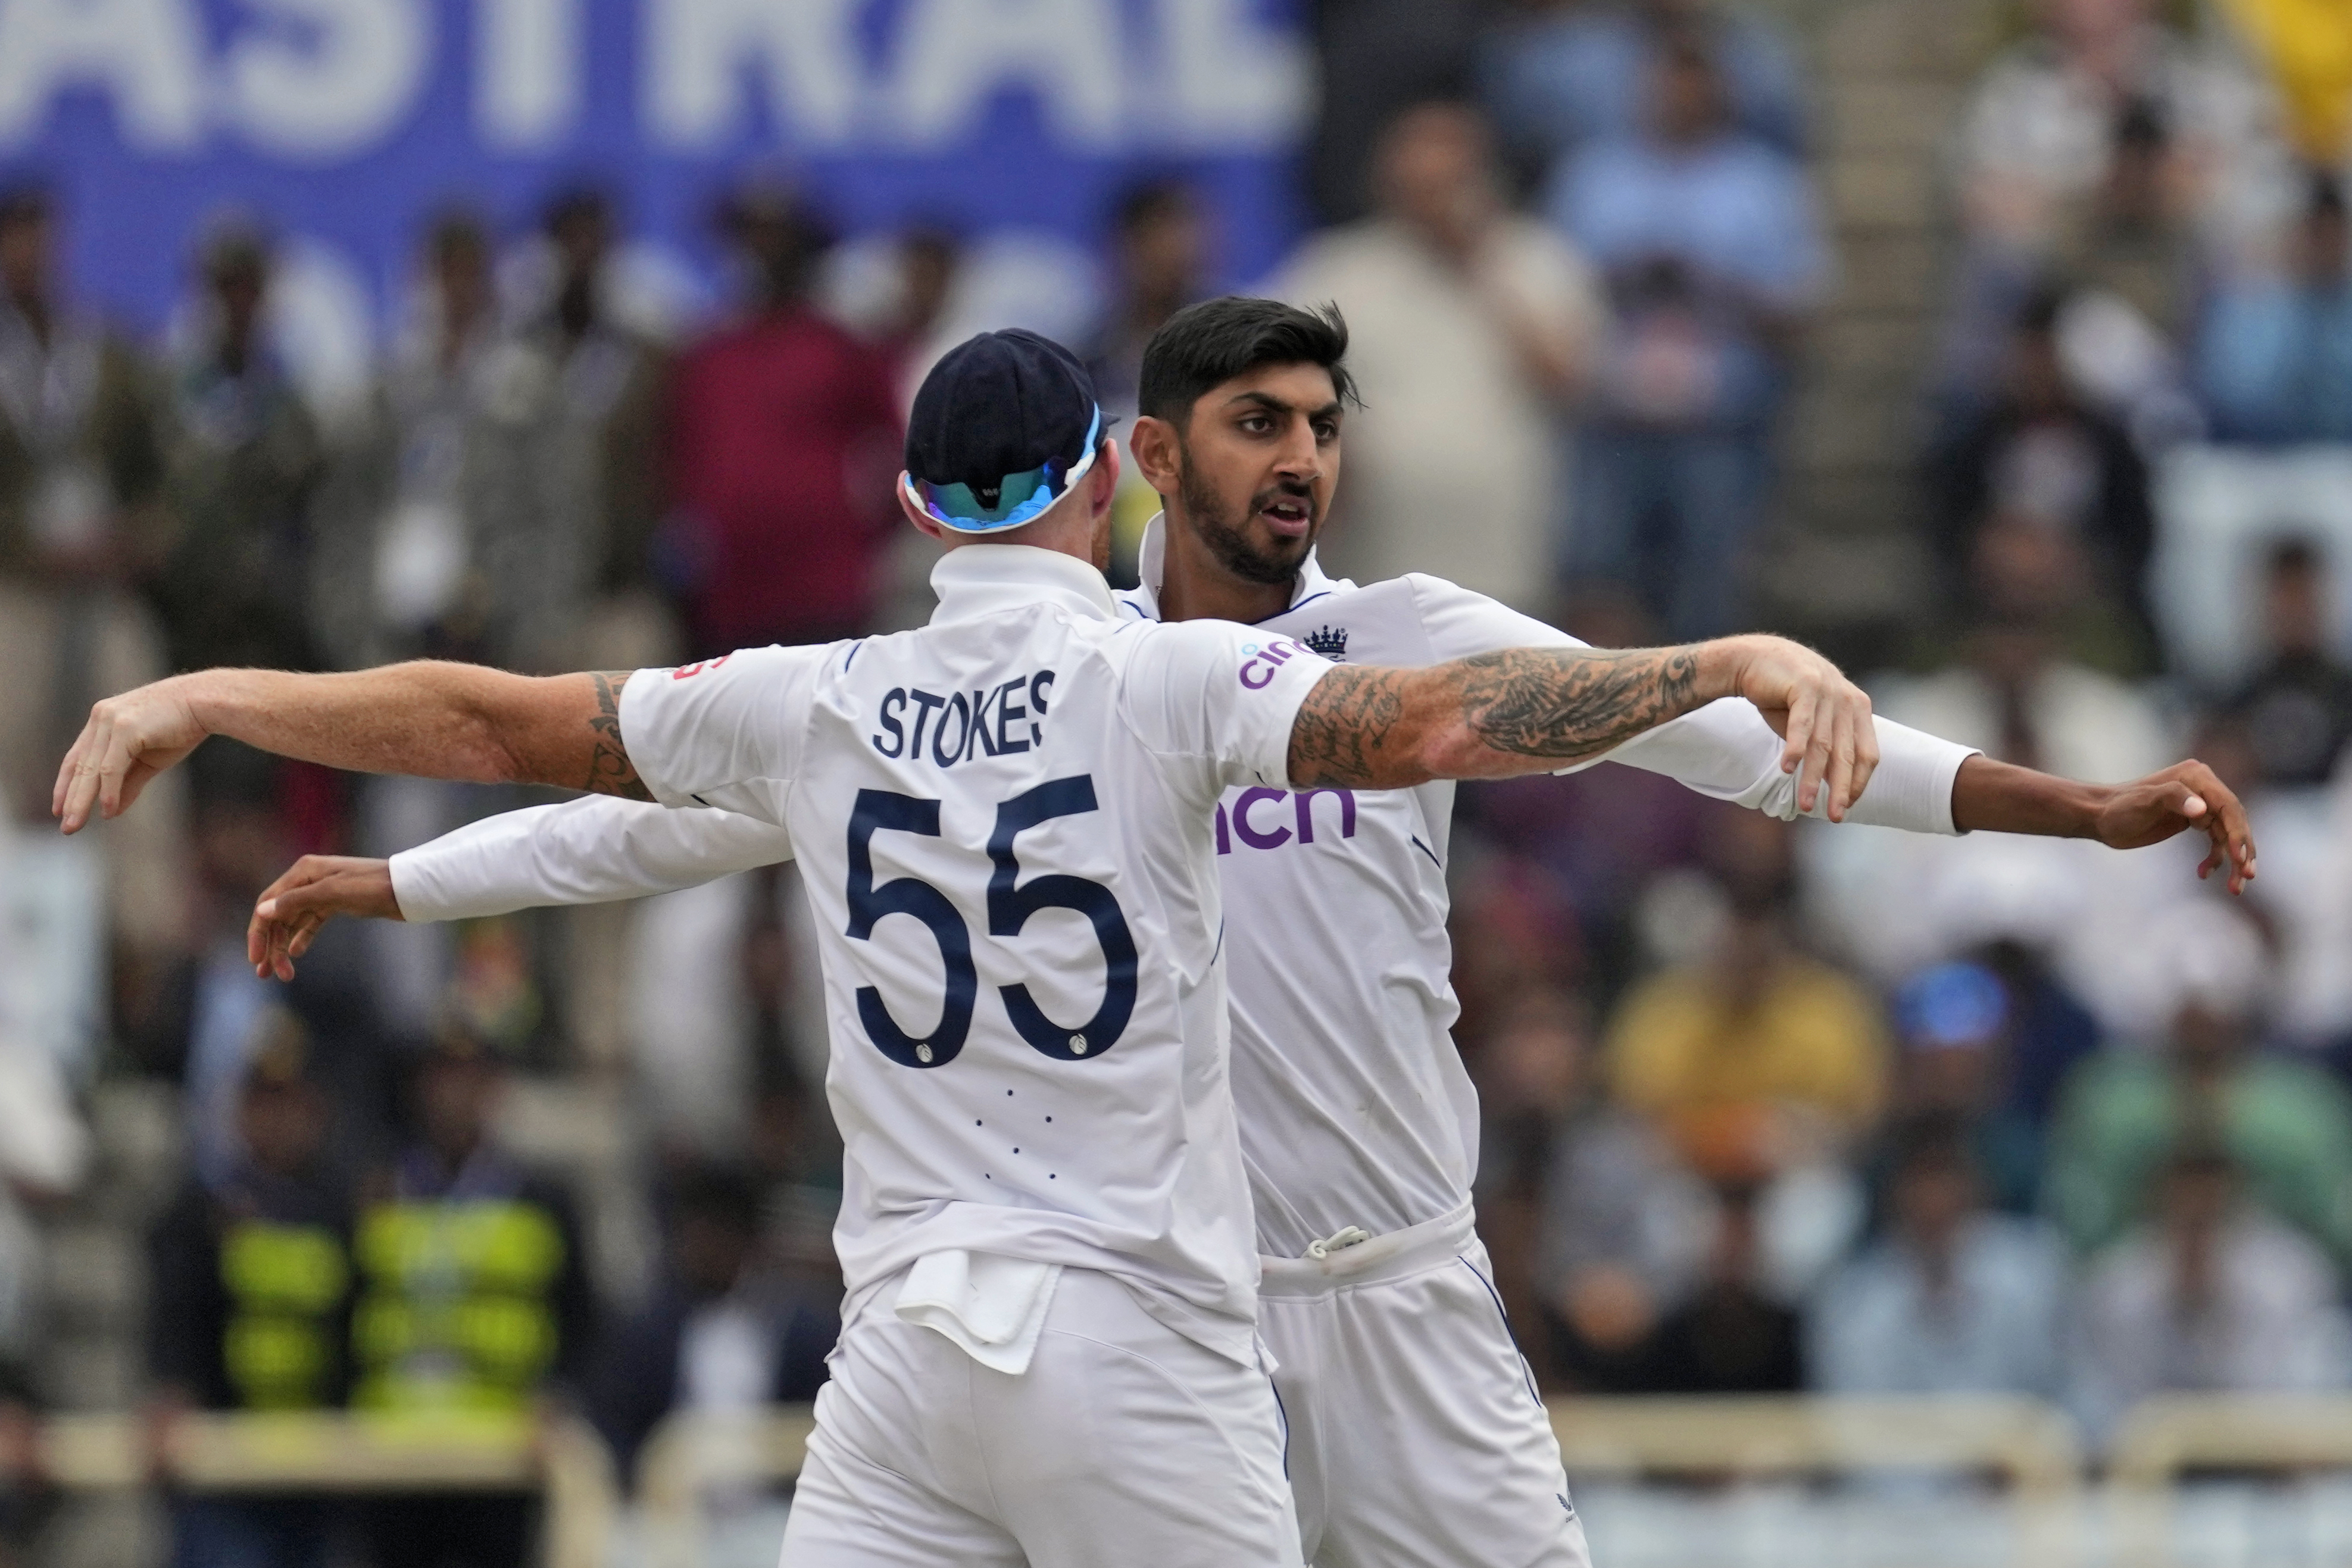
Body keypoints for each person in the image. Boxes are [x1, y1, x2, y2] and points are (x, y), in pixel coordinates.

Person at [207, 304, 2256, 1567]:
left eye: (1323, 422)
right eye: (1260, 423)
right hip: (1165, 1312)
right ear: (1144, 459)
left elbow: (1739, 743)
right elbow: (665, 822)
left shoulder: (1395, 633)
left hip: (1389, 1288)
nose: (1304, 459)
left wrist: (2071, 806)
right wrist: (408, 881)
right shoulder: (1089, 685)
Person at [1546, 32, 1829, 638]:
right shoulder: (1593, 176)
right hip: (1611, 428)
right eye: (1666, 83)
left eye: (1693, 84)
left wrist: (1712, 287)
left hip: (1717, 431)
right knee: (1597, 591)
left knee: (1707, 601)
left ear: (1720, 91)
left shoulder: (1762, 183)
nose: (1678, 97)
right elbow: (1550, 293)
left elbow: (1800, 317)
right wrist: (1623, 281)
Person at [1279, 100, 1602, 613]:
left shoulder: (1535, 260)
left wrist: (1479, 267)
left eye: (1449, 183)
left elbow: (1568, 381)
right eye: (1419, 185)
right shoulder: (1338, 268)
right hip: (1373, 555)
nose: (1435, 201)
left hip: (1503, 549)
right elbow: (1283, 386)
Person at [349, 1023, 594, 1568]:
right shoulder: (376, 1192)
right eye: (442, 1078)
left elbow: (583, 1322)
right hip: (392, 1464)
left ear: (495, 1089)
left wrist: (560, 1396)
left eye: (470, 1078)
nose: (454, 1095)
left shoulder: (543, 1201)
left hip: (501, 1465)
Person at [145, 1020, 354, 1568]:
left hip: (321, 1470)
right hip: (226, 1464)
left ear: (318, 1111)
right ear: (240, 1111)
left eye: (291, 1104)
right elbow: (174, 1319)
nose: (278, 1120)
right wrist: (171, 1388)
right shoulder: (197, 1214)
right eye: (264, 1103)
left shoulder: (347, 1211)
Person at [661, 182, 902, 656]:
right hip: (728, 597)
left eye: (778, 239)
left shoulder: (842, 349)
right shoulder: (707, 356)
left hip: (826, 591)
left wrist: (863, 536)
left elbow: (896, 452)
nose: (763, 253)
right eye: (752, 238)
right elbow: (675, 461)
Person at [590, 1164, 836, 1487]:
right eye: (695, 1237)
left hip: (778, 1501)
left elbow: (816, 1424)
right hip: (670, 1502)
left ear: (747, 1242)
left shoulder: (799, 1331)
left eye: (718, 1237)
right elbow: (617, 1425)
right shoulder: (650, 1330)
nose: (705, 1250)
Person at [1808, 1114, 2069, 1397]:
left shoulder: (2034, 1272)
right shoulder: (1853, 1298)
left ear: (1976, 1185)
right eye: (1920, 1181)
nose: (1933, 1198)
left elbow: (2058, 1386)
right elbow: (1851, 1405)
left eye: (1945, 1178)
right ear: (1894, 1194)